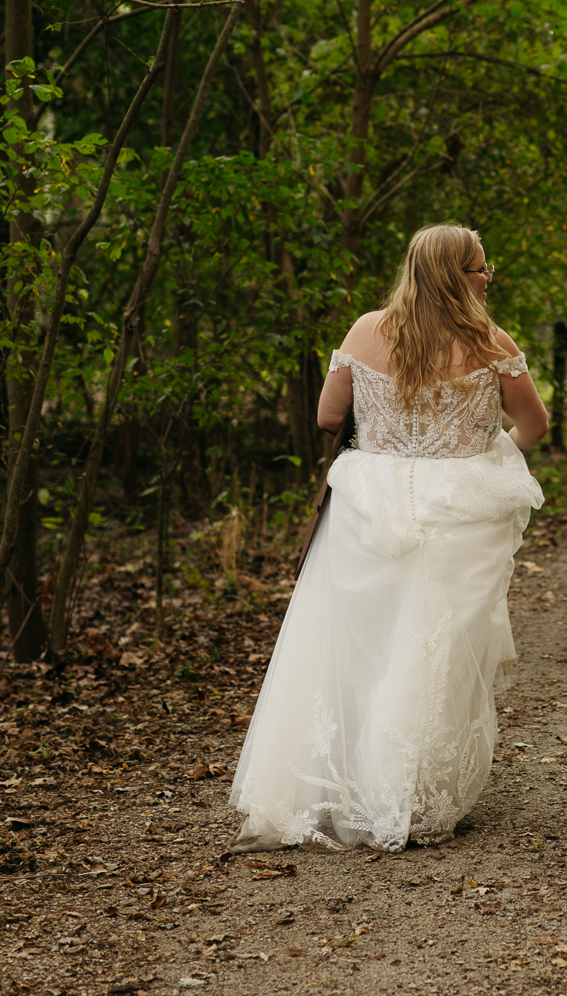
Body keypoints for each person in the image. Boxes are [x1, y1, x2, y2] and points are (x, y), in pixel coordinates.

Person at [229, 225, 550, 851]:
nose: (489, 279)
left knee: (358, 642)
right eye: (484, 269)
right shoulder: (490, 342)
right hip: (458, 507)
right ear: (458, 275)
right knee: (435, 649)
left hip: (370, 500)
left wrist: (386, 435)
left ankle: (331, 787)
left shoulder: (366, 330)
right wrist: (484, 461)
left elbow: (327, 417)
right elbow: (533, 425)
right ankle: (407, 793)